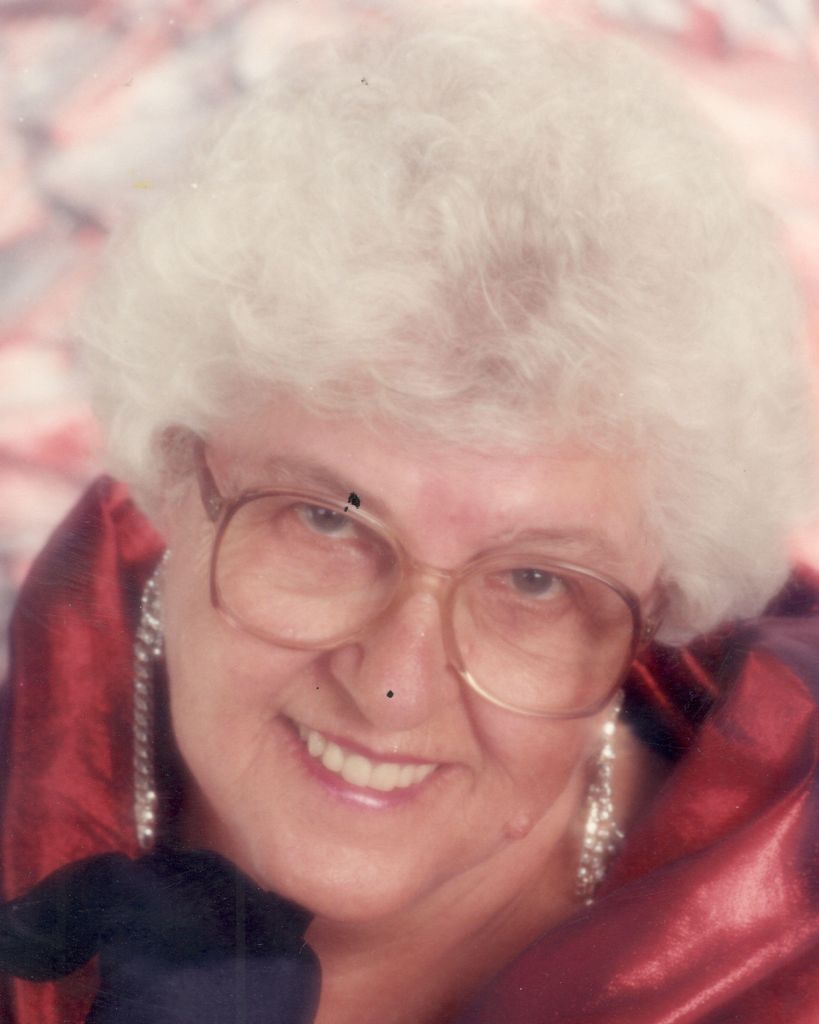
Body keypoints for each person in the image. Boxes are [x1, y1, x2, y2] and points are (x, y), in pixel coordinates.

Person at [1, 4, 818, 1022]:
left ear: (653, 612)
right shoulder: (27, 782)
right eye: (327, 521)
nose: (393, 685)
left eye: (535, 580)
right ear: (176, 473)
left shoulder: (781, 957)